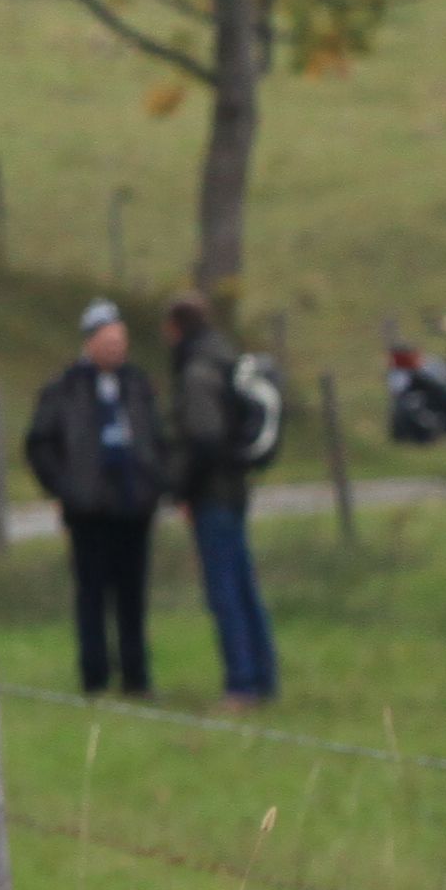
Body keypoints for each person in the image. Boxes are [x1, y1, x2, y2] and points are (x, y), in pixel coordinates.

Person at [23, 298, 165, 698]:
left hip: (133, 507)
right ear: (90, 342)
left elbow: (157, 438)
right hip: (88, 512)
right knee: (92, 596)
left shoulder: (137, 385)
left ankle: (137, 677)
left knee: (132, 596)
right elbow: (40, 443)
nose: (116, 348)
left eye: (121, 341)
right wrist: (65, 488)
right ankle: (95, 677)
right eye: (108, 341)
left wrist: (155, 483)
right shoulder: (65, 388)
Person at [164, 291, 278, 708]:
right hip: (235, 489)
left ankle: (242, 684)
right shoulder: (225, 358)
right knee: (245, 585)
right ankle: (264, 677)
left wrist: (181, 487)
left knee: (225, 590)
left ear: (175, 328)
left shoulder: (197, 372)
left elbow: (203, 436)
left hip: (212, 494)